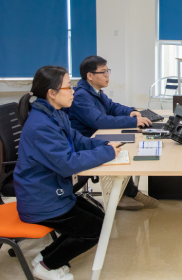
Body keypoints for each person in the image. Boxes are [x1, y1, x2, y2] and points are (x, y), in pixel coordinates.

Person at [14, 65, 121, 280]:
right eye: (68, 87)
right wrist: (107, 153)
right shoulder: (41, 126)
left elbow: (77, 140)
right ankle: (47, 266)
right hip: (41, 199)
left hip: (53, 191)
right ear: (52, 93)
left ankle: (44, 257)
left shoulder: (55, 114)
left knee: (100, 218)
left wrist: (104, 145)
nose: (73, 91)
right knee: (94, 229)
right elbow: (67, 164)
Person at [68, 55, 159, 211]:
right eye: (103, 72)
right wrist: (133, 122)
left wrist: (130, 111)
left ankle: (125, 192)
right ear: (90, 76)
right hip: (86, 141)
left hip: (96, 137)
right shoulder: (81, 96)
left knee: (126, 144)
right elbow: (99, 121)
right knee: (122, 147)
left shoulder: (95, 91)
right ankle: (126, 193)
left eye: (107, 71)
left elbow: (112, 107)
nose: (107, 75)